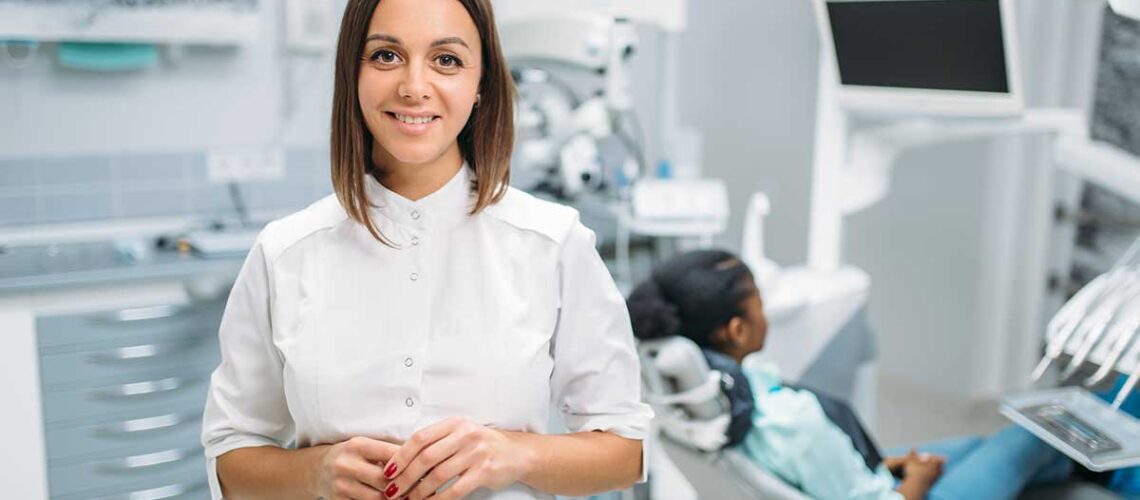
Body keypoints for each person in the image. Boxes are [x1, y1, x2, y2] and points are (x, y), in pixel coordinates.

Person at [200, 1, 653, 499]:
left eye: (447, 60)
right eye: (386, 56)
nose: (414, 87)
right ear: (352, 73)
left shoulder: (552, 243)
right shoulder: (285, 253)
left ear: (481, 86)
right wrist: (313, 472)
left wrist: (516, 453)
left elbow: (625, 450)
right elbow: (231, 452)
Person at [627, 249, 1138, 500]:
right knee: (1036, 434)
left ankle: (1108, 469)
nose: (767, 311)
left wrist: (888, 463)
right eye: (761, 300)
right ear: (736, 330)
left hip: (865, 476)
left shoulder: (702, 410)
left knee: (994, 443)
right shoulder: (791, 423)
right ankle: (1125, 469)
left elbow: (816, 472)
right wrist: (912, 479)